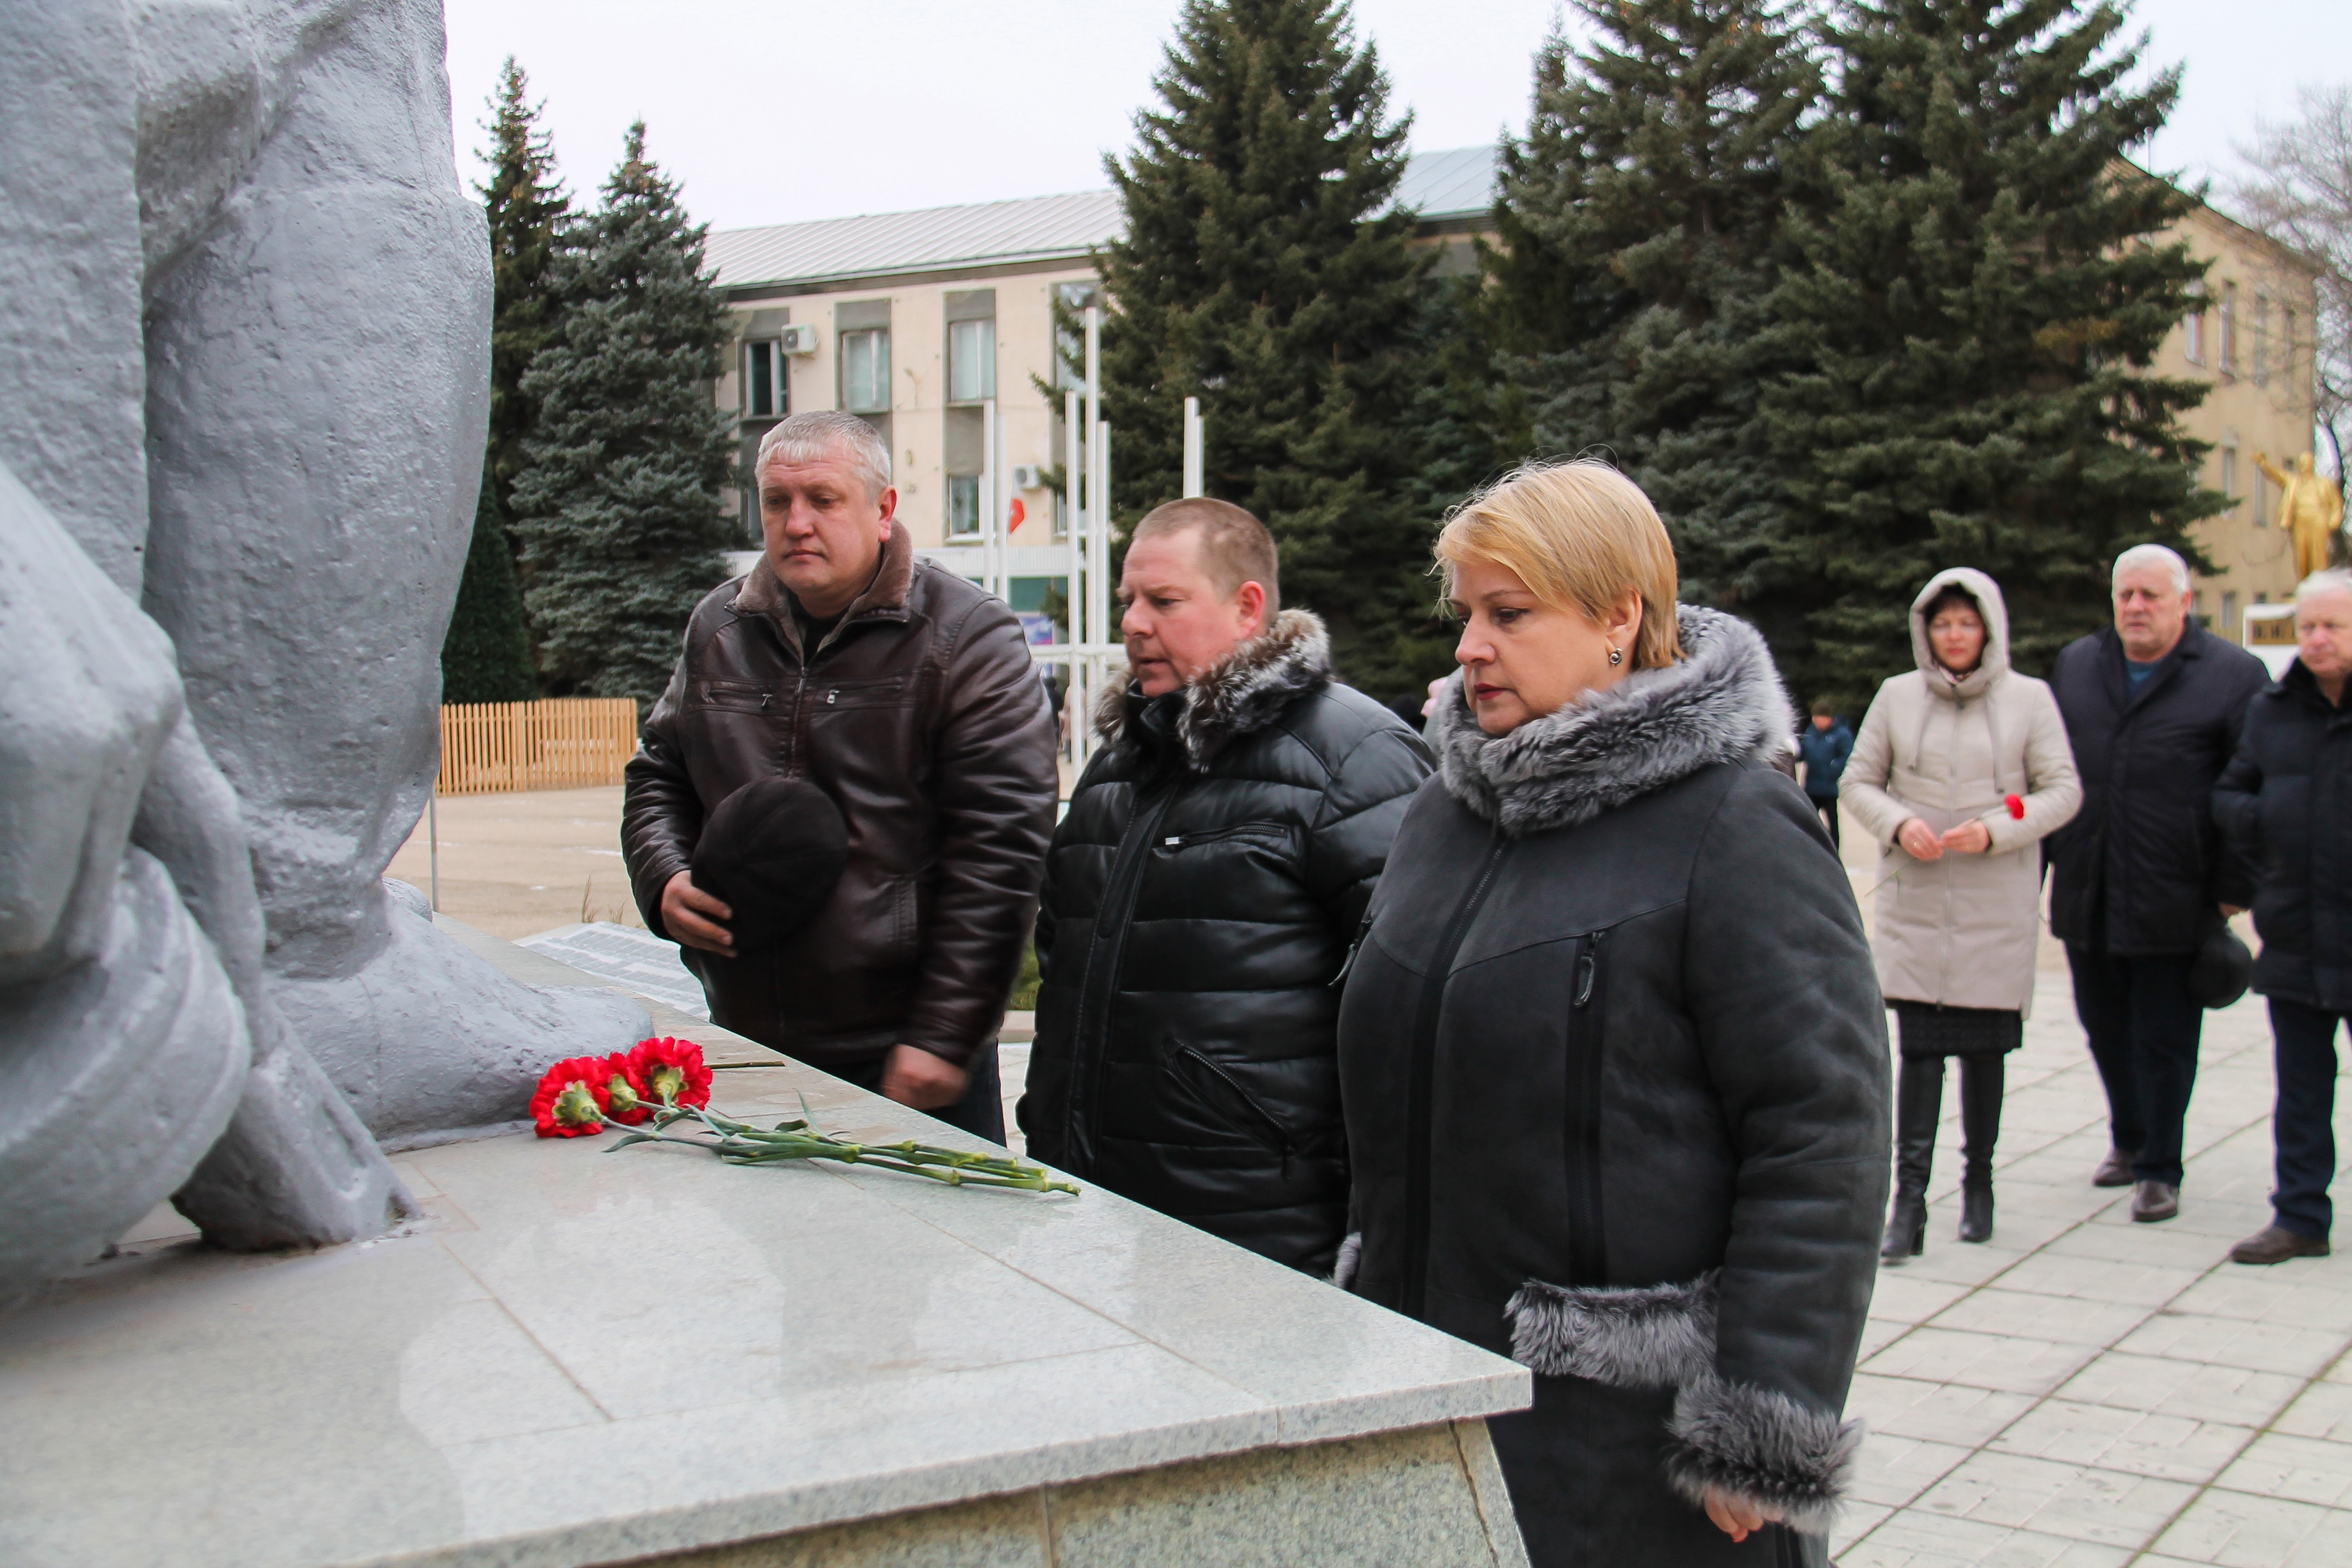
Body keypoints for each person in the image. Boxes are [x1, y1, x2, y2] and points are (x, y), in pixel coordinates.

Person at [1336, 461, 1887, 1566]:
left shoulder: (1734, 822)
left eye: (1509, 613)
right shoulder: (1446, 811)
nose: (1469, 646)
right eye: (1466, 614)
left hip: (1629, 1446)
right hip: (1428, 1393)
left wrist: (1764, 1416)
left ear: (1619, 619)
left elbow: (1823, 1123)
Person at [1019, 499, 1429, 1274]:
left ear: (1247, 608)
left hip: (1264, 1233)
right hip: (1096, 1214)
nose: (1135, 624)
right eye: (1128, 603)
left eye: (1164, 602)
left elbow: (1407, 1012)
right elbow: (1064, 965)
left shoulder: (1356, 760)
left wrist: (1374, 1236)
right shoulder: (1117, 767)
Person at [622, 411, 1059, 1139]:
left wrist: (945, 1035)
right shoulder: (718, 628)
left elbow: (1003, 848)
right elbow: (658, 775)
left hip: (905, 1058)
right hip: (748, 1046)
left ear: (882, 510)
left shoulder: (966, 636)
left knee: (921, 1257)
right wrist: (663, 875)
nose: (796, 523)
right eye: (776, 501)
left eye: (822, 500)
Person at [1842, 570, 2081, 1259]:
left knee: (1984, 1053)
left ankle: (1979, 1184)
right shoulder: (1896, 696)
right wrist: (1897, 823)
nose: (1954, 635)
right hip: (1920, 905)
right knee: (1919, 1053)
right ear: (1926, 630)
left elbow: (2061, 790)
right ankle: (1908, 1203)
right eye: (1942, 623)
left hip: (1992, 904)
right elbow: (1860, 780)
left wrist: (1998, 829)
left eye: (1966, 624)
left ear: (1989, 630)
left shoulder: (2029, 700)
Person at [2048, 544, 2269, 1222]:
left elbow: (2251, 784)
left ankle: (2159, 1165)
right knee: (2104, 1028)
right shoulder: (2078, 666)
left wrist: (2235, 888)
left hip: (2178, 895)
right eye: (2125, 596)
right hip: (2089, 884)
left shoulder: (2234, 675)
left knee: (2165, 1037)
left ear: (2184, 602)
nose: (2136, 607)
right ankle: (2127, 1136)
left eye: (2150, 595)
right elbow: (2046, 770)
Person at [2212, 569, 2352, 1265]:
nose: (2317, 638)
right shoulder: (2273, 709)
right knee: (2301, 1089)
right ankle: (2300, 1215)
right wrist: (2269, 820)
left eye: (2333, 626)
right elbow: (2230, 793)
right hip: (2295, 931)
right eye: (2308, 626)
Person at [1797, 700, 1854, 847]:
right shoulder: (1811, 732)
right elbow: (1803, 753)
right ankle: (1810, 849)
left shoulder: (1842, 735)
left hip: (1829, 787)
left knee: (1832, 824)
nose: (1816, 721)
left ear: (1829, 718)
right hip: (1811, 787)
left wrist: (1833, 770)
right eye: (1814, 718)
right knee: (1808, 822)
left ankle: (1835, 852)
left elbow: (1846, 757)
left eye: (1819, 718)